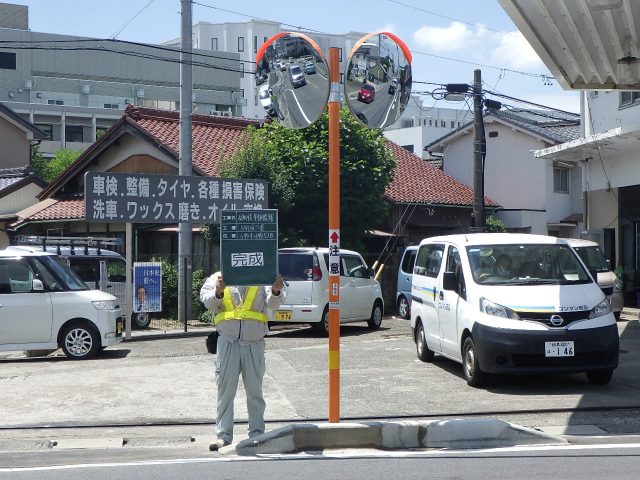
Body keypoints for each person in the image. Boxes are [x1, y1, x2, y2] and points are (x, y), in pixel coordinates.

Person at [200, 271, 285, 451]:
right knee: (225, 391)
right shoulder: (218, 277)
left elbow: (274, 303)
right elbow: (207, 301)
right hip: (227, 340)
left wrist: (276, 291)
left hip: (254, 342)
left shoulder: (263, 275)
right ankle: (223, 436)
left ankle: (256, 434)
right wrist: (218, 292)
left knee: (255, 391)